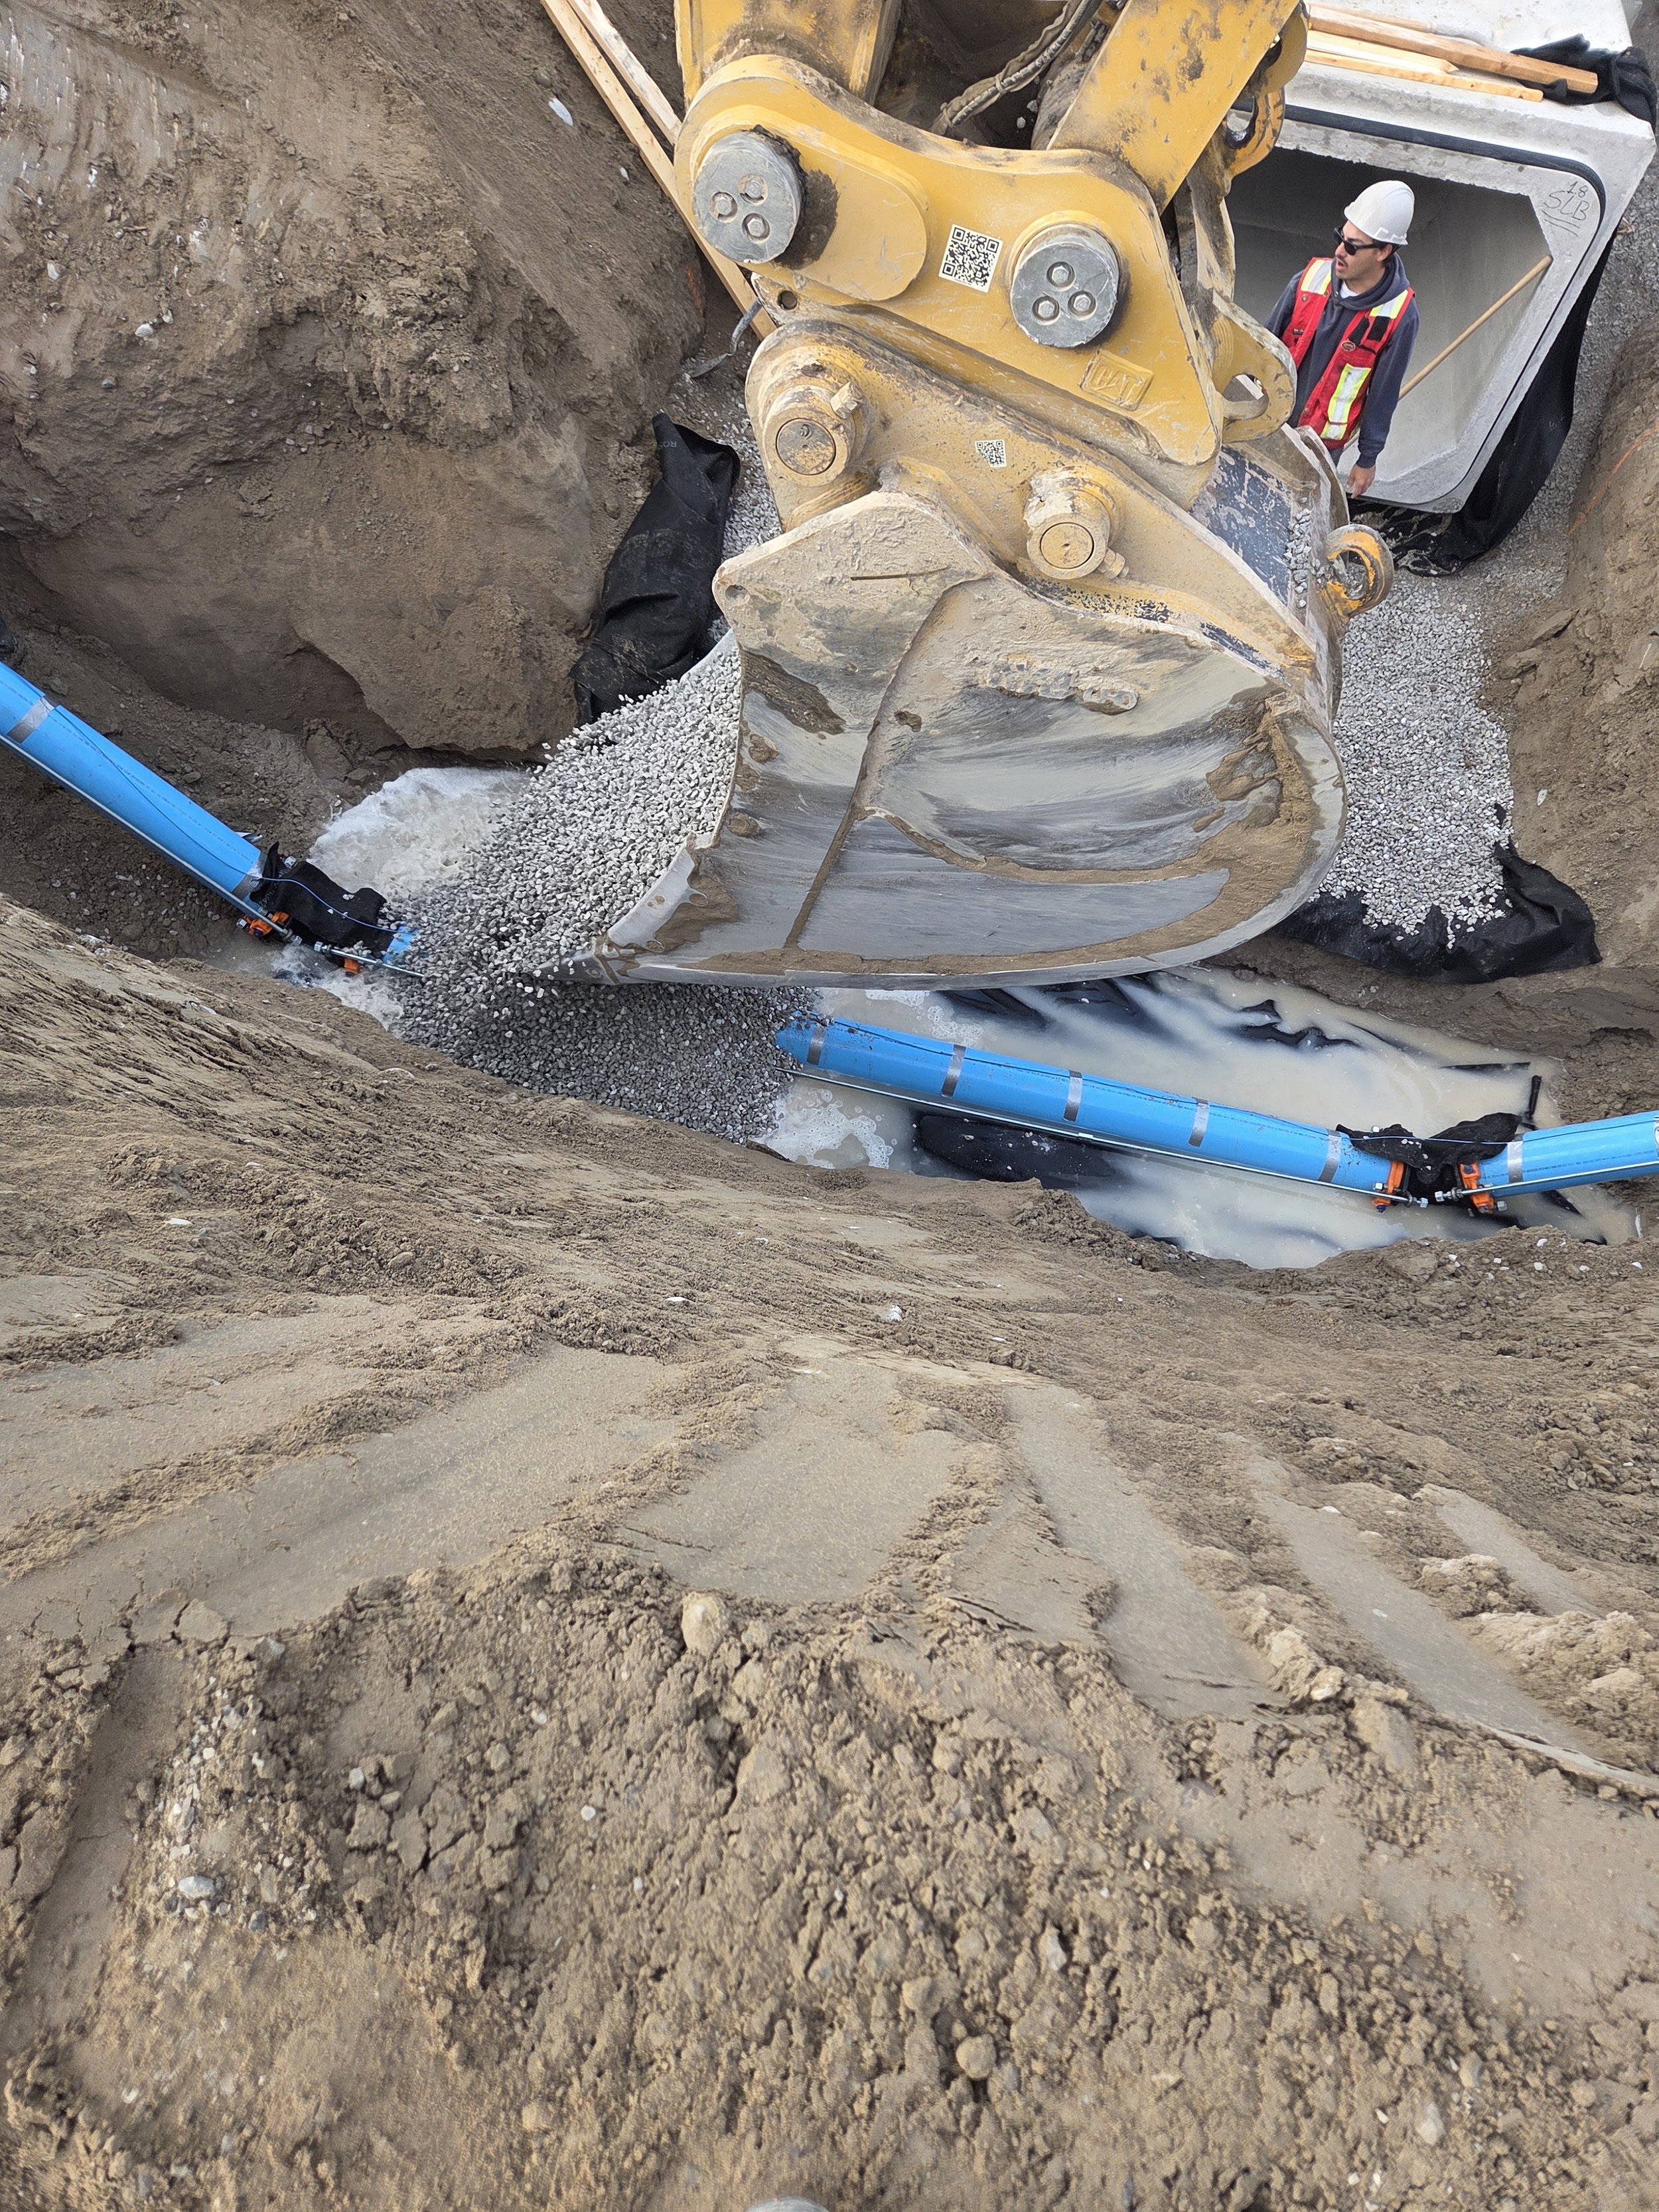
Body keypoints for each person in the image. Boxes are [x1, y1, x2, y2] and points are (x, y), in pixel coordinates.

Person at [1266, 179, 1419, 500]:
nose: (1339, 251)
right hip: (1269, 420)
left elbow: (1383, 396)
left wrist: (1367, 459)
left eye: (1352, 246)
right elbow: (1264, 344)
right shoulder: (1310, 280)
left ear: (1383, 252)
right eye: (1341, 238)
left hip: (1319, 446)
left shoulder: (1397, 317)